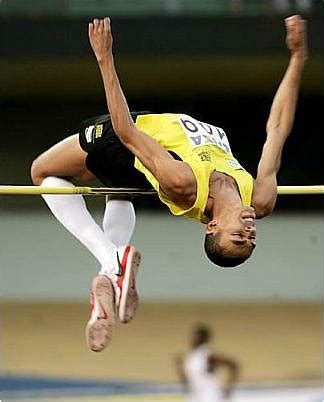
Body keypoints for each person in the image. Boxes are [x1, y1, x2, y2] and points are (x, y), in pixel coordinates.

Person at [30, 15, 307, 352]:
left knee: (42, 173)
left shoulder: (185, 184)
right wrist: (297, 59)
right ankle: (108, 276)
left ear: (212, 226)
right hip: (140, 162)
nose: (248, 232)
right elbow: (277, 129)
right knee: (115, 191)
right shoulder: (260, 197)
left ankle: (111, 259)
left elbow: (126, 132)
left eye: (238, 237)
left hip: (128, 136)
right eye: (250, 240)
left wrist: (105, 58)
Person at [175, 324, 239, 402]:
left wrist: (228, 388)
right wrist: (179, 367)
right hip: (195, 396)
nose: (192, 339)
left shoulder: (208, 356)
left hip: (210, 396)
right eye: (192, 336)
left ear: (204, 339)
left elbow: (234, 365)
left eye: (196, 336)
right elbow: (187, 382)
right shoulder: (191, 358)